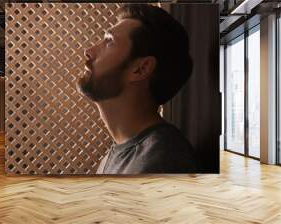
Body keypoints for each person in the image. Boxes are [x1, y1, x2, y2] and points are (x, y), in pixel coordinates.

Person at [76, 4, 196, 174]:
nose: (88, 51)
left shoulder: (163, 161)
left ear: (141, 69)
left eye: (109, 41)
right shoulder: (118, 155)